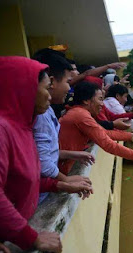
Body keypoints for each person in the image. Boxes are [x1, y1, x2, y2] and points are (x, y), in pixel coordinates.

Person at [0, 56, 92, 253]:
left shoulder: (24, 127)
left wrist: (60, 185)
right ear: (24, 89)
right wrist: (31, 237)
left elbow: (22, 179)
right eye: (46, 88)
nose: (49, 95)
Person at [33, 49, 95, 204]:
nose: (69, 88)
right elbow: (43, 162)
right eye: (68, 82)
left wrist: (71, 154)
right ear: (51, 82)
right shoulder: (40, 115)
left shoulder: (47, 110)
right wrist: (65, 180)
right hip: (38, 198)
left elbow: (46, 150)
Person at [58, 81, 133, 175]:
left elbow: (104, 133)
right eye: (100, 99)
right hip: (58, 168)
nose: (102, 104)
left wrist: (129, 136)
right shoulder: (81, 115)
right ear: (86, 100)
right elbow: (107, 144)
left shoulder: (80, 113)